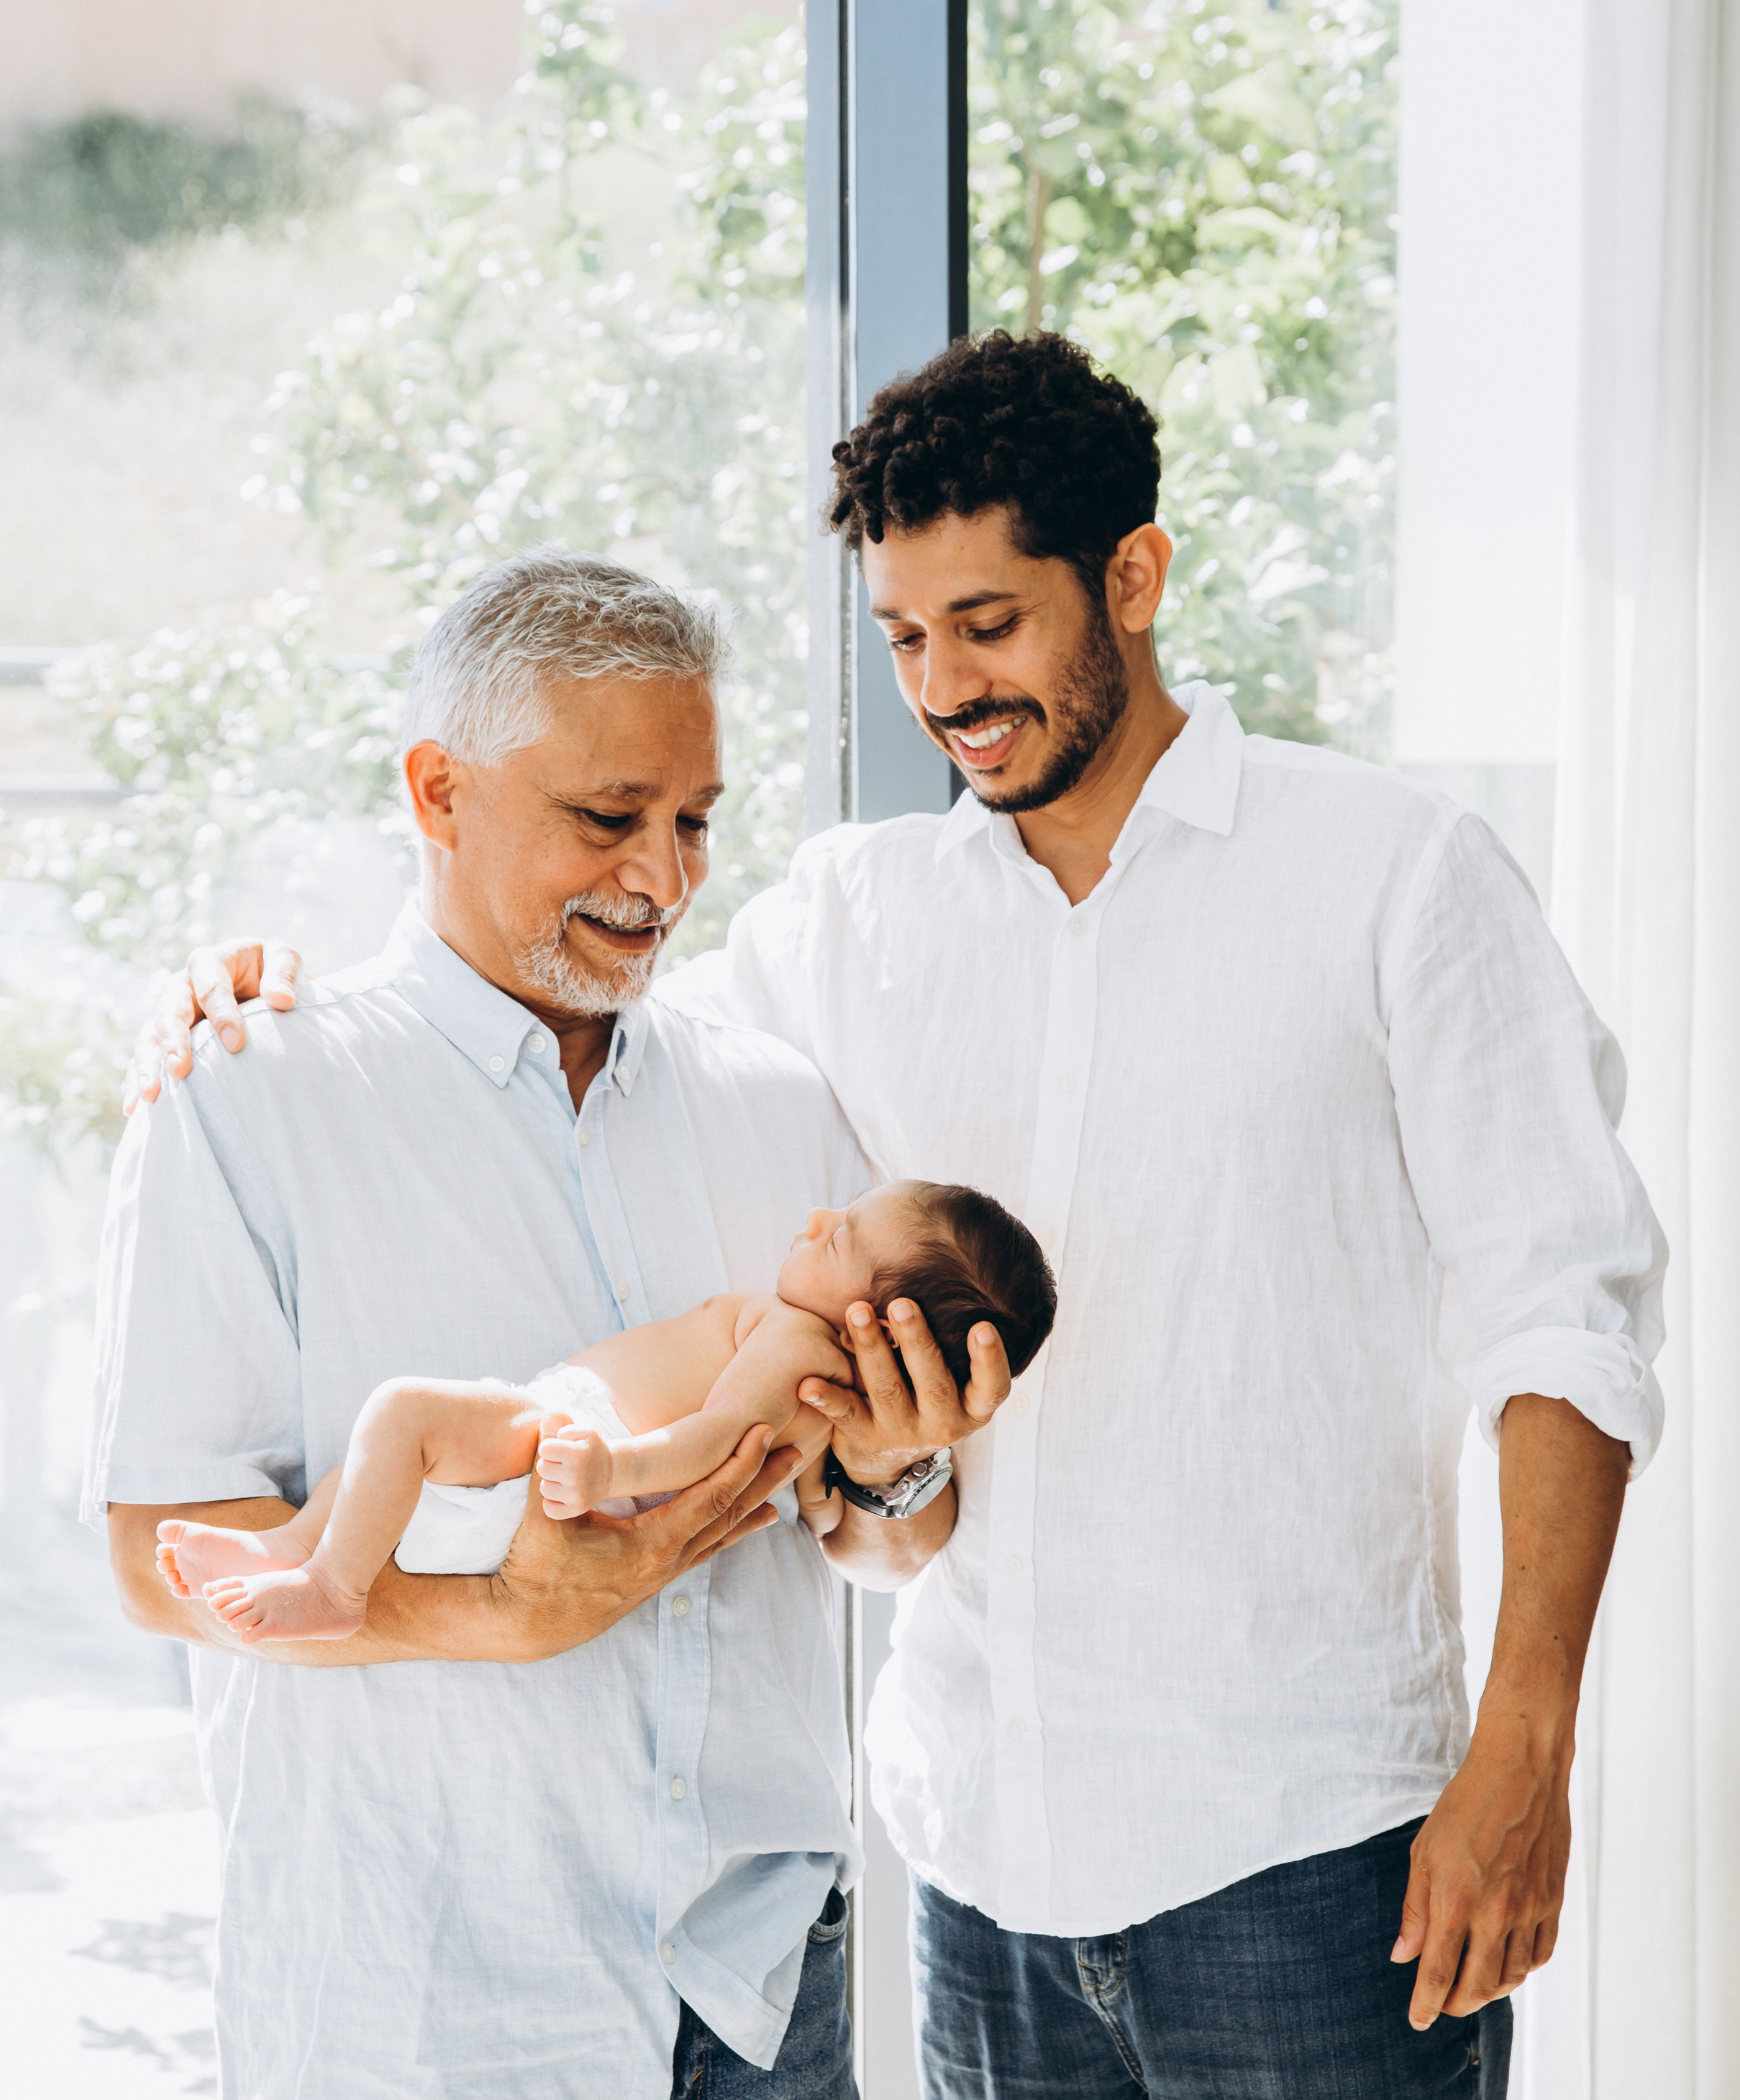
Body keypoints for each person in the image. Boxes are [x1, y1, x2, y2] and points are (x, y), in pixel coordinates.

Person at [138, 332, 1666, 2099]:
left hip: (1308, 1856)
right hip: (970, 1860)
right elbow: (572, 968)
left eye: (989, 622)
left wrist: (1524, 1747)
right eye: (902, 636)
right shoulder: (841, 923)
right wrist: (265, 994)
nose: (944, 684)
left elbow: (1564, 1313)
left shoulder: (1391, 874)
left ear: (1133, 576)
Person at [88, 549, 1021, 2100]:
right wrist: (507, 1614)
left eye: (696, 820)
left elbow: (864, 1535)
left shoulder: (781, 1109)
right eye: (608, 818)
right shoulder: (250, 1096)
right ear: (438, 793)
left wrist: (903, 1478)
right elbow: (154, 1551)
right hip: (427, 1999)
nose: (662, 878)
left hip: (758, 1993)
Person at [153, 1179, 1054, 1645]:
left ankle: (331, 1587)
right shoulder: (823, 1396)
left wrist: (610, 1468)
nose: (817, 1219)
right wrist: (826, 1497)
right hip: (576, 1448)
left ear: (884, 1327)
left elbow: (712, 1439)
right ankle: (290, 1549)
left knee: (399, 1415)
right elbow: (811, 1502)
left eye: (844, 1236)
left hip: (584, 1441)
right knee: (391, 1459)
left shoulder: (796, 1343)